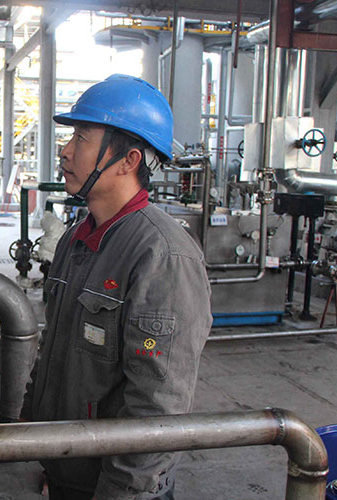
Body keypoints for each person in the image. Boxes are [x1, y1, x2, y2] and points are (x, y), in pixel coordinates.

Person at [20, 74, 212, 500]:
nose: (66, 151)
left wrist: (120, 491)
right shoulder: (76, 238)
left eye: (82, 138)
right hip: (66, 466)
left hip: (118, 487)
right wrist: (34, 431)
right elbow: (55, 345)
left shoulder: (163, 255)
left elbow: (158, 404)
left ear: (128, 160)